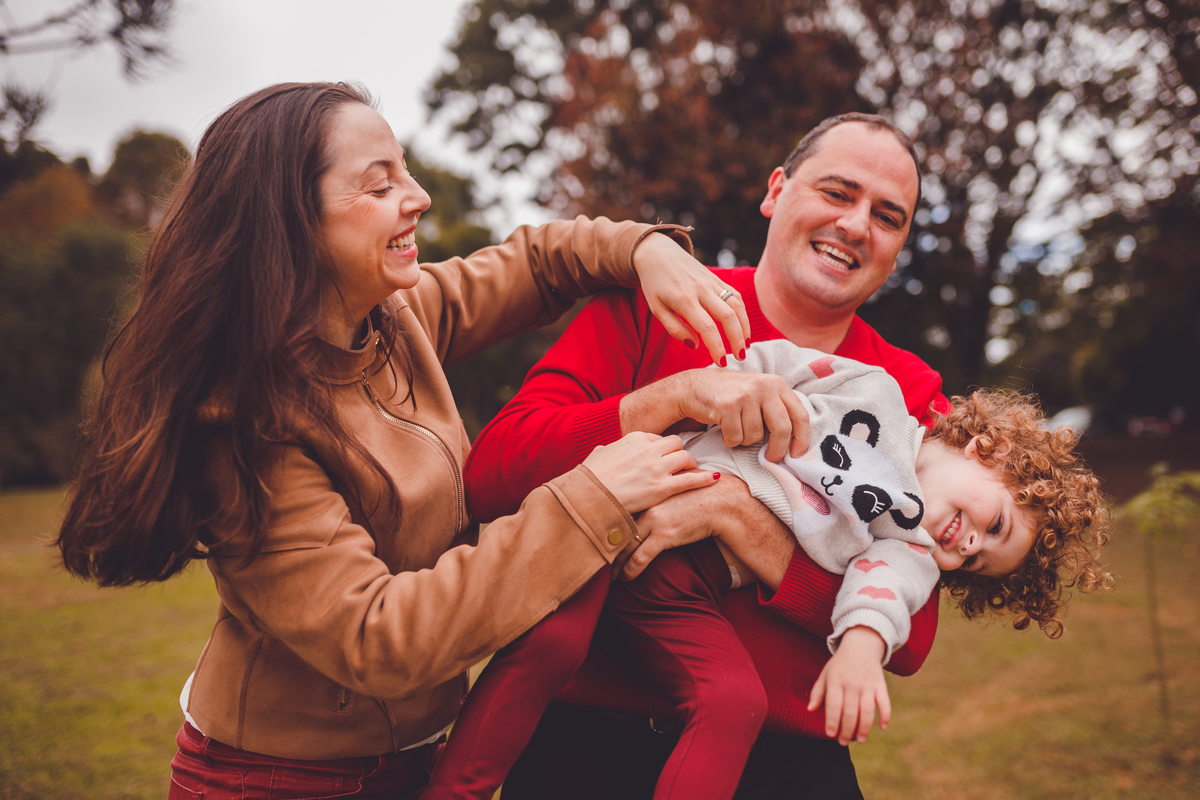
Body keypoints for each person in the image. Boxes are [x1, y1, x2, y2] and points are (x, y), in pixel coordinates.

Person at [52, 81, 756, 800]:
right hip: (275, 781)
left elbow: (539, 260)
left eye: (407, 172)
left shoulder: (395, 317)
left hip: (412, 763)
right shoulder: (246, 425)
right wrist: (591, 499)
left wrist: (645, 251)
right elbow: (380, 637)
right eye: (379, 184)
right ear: (293, 220)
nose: (415, 197)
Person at [463, 112, 951, 799]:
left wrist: (744, 521)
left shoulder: (912, 397)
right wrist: (669, 399)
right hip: (584, 736)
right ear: (777, 189)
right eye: (838, 193)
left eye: (888, 216)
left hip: (785, 760)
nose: (856, 225)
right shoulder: (651, 304)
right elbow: (492, 475)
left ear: (897, 248)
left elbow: (913, 636)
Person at [425, 339, 1109, 800]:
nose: (968, 545)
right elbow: (772, 361)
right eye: (994, 524)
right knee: (549, 641)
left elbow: (882, 599)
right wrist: (734, 382)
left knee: (735, 702)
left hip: (686, 588)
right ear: (985, 449)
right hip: (632, 507)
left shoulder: (910, 546)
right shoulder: (873, 391)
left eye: (980, 561)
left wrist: (861, 656)